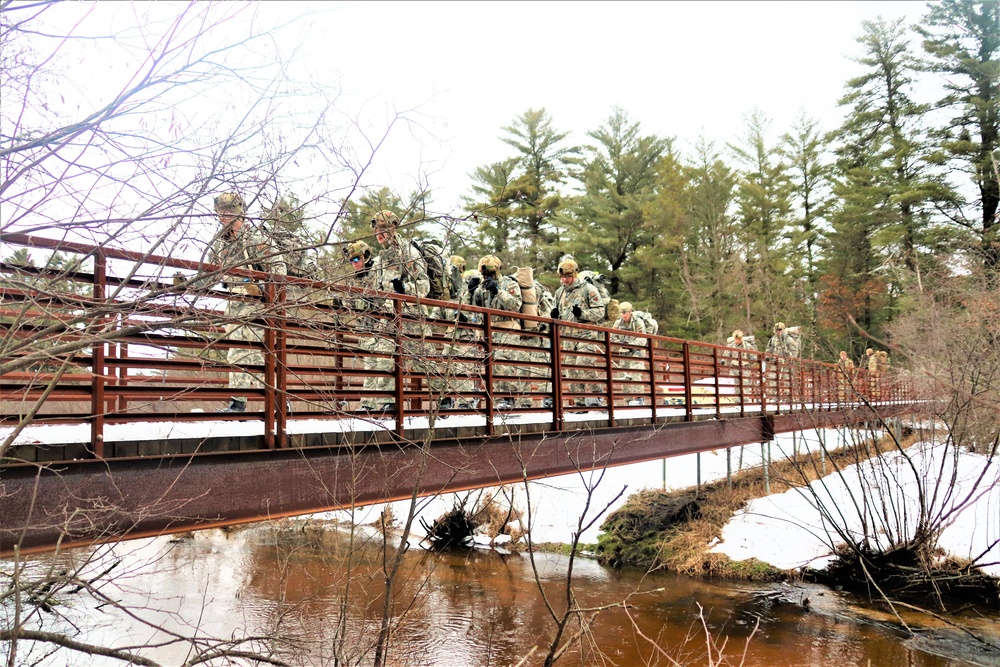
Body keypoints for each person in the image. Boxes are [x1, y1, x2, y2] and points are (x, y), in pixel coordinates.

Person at [210, 191, 286, 413]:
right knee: (249, 354)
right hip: (233, 305)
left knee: (243, 352)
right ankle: (280, 401)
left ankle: (239, 403)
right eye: (220, 213)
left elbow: (279, 270)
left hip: (256, 306)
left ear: (238, 213)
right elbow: (209, 271)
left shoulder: (255, 239)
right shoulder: (219, 243)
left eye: (227, 212)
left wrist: (260, 287)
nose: (223, 217)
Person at [355, 210, 430, 414]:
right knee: (383, 358)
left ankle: (446, 401)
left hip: (412, 317)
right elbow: (374, 291)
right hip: (388, 317)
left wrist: (405, 290)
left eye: (383, 229)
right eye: (376, 230)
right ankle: (387, 404)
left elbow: (425, 286)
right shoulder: (380, 259)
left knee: (426, 364)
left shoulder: (407, 253)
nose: (378, 234)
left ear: (392, 229)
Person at [472, 255, 527, 410]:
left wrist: (497, 290)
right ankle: (494, 402)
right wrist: (471, 290)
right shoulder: (481, 286)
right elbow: (472, 308)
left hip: (506, 329)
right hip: (488, 331)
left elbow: (515, 305)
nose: (487, 276)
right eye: (484, 273)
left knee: (505, 366)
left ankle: (507, 400)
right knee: (489, 368)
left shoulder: (509, 283)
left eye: (490, 273)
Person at [551, 257, 606, 407]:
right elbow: (558, 312)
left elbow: (600, 311)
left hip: (585, 333)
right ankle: (579, 402)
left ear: (575, 275)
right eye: (562, 277)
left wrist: (582, 313)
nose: (565, 280)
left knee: (584, 364)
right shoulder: (559, 292)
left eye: (568, 276)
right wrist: (555, 316)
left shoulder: (588, 289)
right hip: (568, 335)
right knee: (570, 371)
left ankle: (597, 397)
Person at [611, 302, 647, 405]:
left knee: (635, 374)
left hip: (636, 352)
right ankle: (628, 401)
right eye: (621, 313)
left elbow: (642, 338)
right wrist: (620, 343)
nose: (624, 315)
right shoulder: (618, 323)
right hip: (624, 353)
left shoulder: (638, 322)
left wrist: (631, 345)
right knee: (624, 376)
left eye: (625, 313)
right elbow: (612, 336)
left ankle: (639, 399)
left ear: (630, 312)